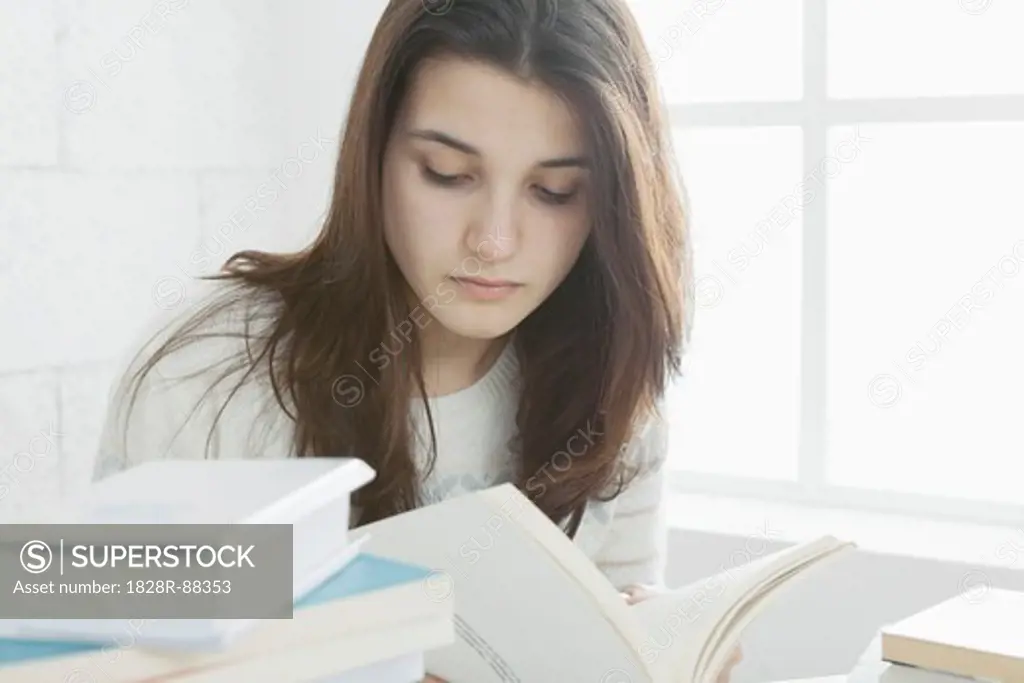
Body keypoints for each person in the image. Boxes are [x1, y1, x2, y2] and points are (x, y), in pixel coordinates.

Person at [93, 0, 742, 680]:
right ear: (372, 155)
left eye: (553, 191)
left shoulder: (611, 390)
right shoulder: (209, 372)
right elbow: (98, 652)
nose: (494, 240)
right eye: (447, 174)